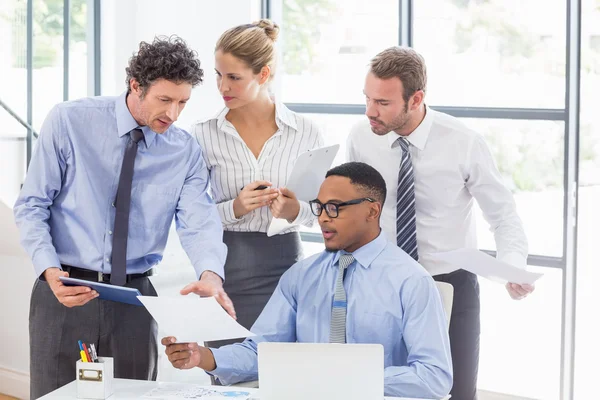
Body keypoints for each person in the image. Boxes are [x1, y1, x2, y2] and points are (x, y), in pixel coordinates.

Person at [13, 36, 233, 399]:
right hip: (64, 288)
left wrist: (210, 274)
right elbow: (32, 204)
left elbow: (199, 219)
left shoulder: (183, 151)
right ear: (135, 86)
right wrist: (50, 271)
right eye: (165, 100)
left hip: (134, 298)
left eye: (182, 102)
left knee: (133, 395)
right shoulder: (70, 121)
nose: (174, 114)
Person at [161, 162, 453, 399]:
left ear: (372, 210)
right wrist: (203, 356)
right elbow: (262, 351)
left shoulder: (411, 281)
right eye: (320, 207)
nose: (324, 218)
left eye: (335, 208)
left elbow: (433, 376)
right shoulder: (301, 276)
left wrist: (343, 377)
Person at [346, 46, 534, 400]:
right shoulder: (360, 137)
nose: (370, 111)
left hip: (450, 285)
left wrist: (513, 266)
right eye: (367, 99)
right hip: (381, 285)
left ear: (416, 99)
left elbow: (504, 215)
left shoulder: (463, 142)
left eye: (383, 103)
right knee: (376, 390)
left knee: (457, 392)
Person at [191, 19, 324, 346]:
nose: (223, 87)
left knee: (284, 375)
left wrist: (294, 210)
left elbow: (322, 211)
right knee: (225, 374)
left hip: (286, 267)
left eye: (234, 77)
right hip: (226, 267)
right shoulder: (203, 134)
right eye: (218, 75)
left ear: (263, 75)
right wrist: (235, 207)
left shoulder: (306, 132)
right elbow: (193, 215)